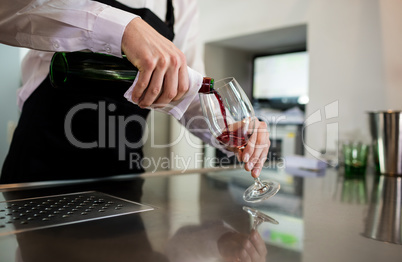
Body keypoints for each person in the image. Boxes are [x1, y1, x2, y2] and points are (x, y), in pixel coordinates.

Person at [0, 0, 270, 183]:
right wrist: (122, 28)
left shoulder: (181, 4)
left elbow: (189, 90)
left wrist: (232, 128)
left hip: (124, 172)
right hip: (43, 161)